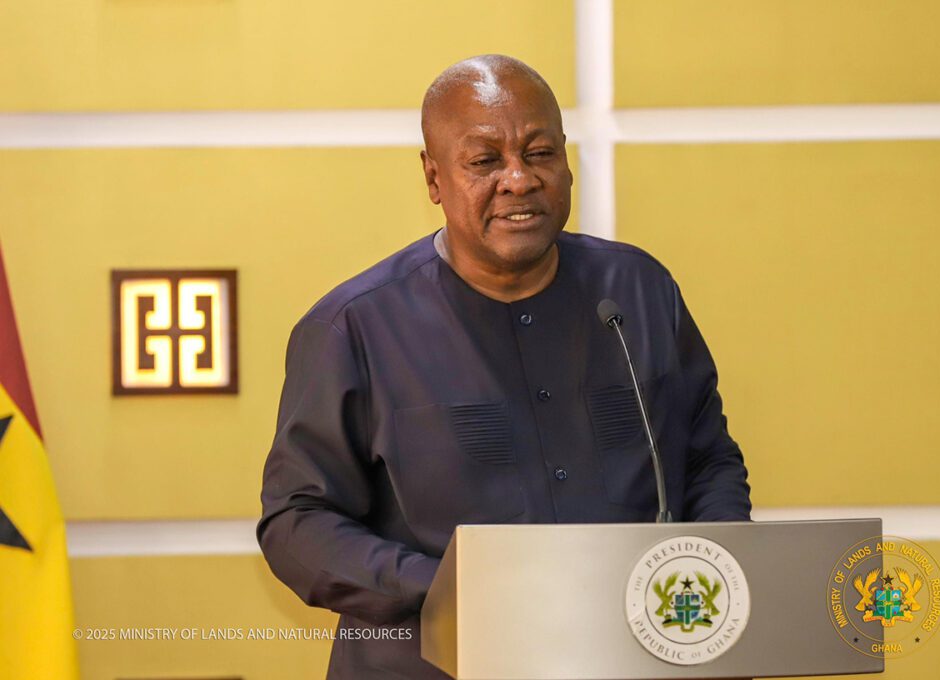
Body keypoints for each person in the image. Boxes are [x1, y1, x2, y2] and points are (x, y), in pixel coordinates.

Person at [258, 54, 751, 680]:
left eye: (540, 153)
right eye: (485, 161)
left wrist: (710, 576)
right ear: (434, 178)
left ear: (567, 162)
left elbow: (707, 459)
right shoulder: (352, 329)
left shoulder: (640, 292)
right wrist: (447, 587)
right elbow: (297, 522)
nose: (518, 179)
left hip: (638, 660)